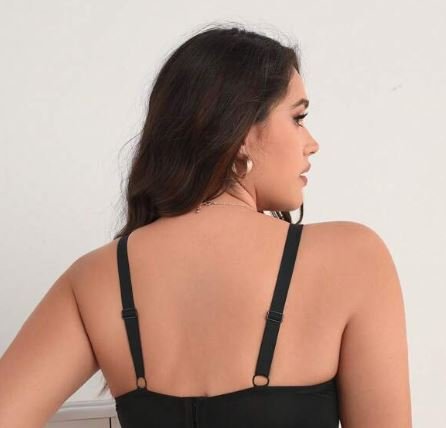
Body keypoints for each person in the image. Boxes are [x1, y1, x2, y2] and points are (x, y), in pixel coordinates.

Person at [0, 23, 412, 427]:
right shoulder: (352, 258)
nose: (311, 143)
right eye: (298, 117)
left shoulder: (97, 277)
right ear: (242, 132)